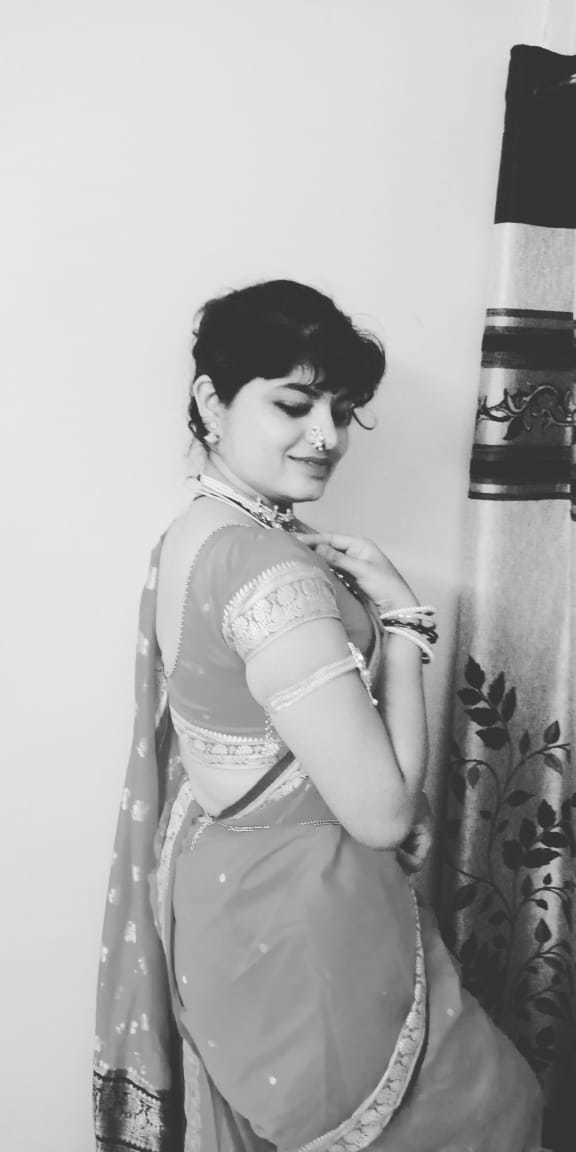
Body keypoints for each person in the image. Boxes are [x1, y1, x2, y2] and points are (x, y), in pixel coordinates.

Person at [94, 280, 543, 1152]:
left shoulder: (193, 534)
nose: (328, 436)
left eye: (340, 410)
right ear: (211, 402)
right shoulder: (270, 571)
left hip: (229, 909)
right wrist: (405, 624)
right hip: (304, 932)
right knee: (498, 1113)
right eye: (294, 405)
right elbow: (384, 814)